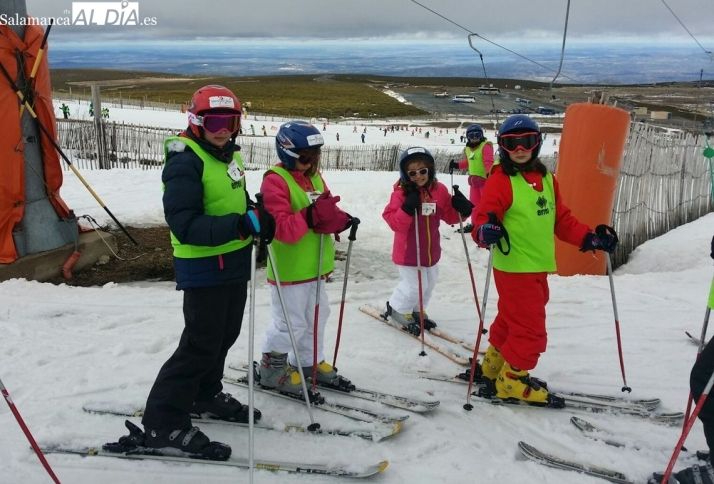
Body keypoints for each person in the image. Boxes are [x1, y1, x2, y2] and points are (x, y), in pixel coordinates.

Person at [140, 85, 275, 458]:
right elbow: (183, 223)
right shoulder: (186, 160)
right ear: (196, 121)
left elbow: (232, 200)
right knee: (199, 344)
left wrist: (256, 215)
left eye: (230, 121)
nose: (222, 128)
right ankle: (163, 422)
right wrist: (239, 225)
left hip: (233, 261)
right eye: (214, 121)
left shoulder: (228, 153)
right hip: (203, 266)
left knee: (224, 335)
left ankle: (204, 393)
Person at [471, 114, 618, 405]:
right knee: (530, 330)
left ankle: (493, 367)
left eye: (527, 141)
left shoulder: (548, 179)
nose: (520, 148)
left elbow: (561, 220)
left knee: (512, 319)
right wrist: (483, 231)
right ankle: (511, 382)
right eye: (511, 143)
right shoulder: (501, 180)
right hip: (514, 268)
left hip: (536, 268)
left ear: (537, 144)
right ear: (502, 147)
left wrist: (590, 238)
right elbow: (483, 215)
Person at [258, 120, 355, 396]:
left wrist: (340, 219)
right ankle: (272, 368)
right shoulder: (275, 181)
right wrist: (310, 216)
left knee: (317, 316)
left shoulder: (314, 177)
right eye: (304, 157)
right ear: (287, 153)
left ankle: (308, 362)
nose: (311, 162)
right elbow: (281, 230)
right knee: (291, 323)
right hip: (289, 271)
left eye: (315, 156)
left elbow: (325, 208)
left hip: (315, 266)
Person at [382, 147, 473, 334]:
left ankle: (415, 310)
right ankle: (397, 308)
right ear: (405, 174)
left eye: (422, 171)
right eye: (412, 173)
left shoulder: (439, 191)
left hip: (430, 252)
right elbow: (394, 223)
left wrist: (462, 211)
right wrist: (407, 209)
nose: (418, 176)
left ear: (430, 170)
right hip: (408, 252)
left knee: (429, 283)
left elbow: (448, 215)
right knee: (414, 285)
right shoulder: (400, 195)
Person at [448, 124, 495, 233]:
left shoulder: (485, 146)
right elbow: (468, 163)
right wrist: (457, 165)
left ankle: (488, 226)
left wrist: (489, 175)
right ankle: (475, 225)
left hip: (485, 182)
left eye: (477, 135)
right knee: (473, 206)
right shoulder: (468, 149)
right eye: (471, 135)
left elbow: (488, 162)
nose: (474, 138)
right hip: (474, 183)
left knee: (486, 205)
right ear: (467, 137)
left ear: (481, 135)